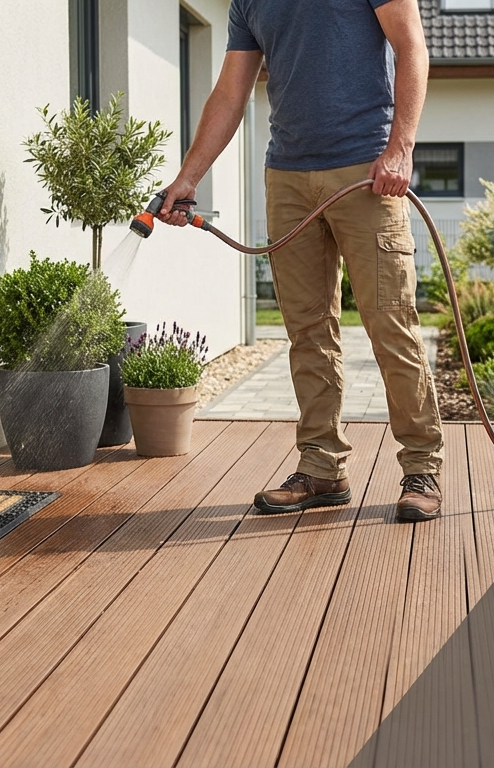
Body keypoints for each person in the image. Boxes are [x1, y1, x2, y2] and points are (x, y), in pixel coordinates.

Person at [157, 0, 443, 521]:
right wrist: (189, 176)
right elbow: (231, 91)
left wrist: (401, 147)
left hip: (367, 170)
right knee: (307, 330)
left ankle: (421, 466)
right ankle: (322, 466)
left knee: (390, 325)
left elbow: (411, 48)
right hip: (287, 176)